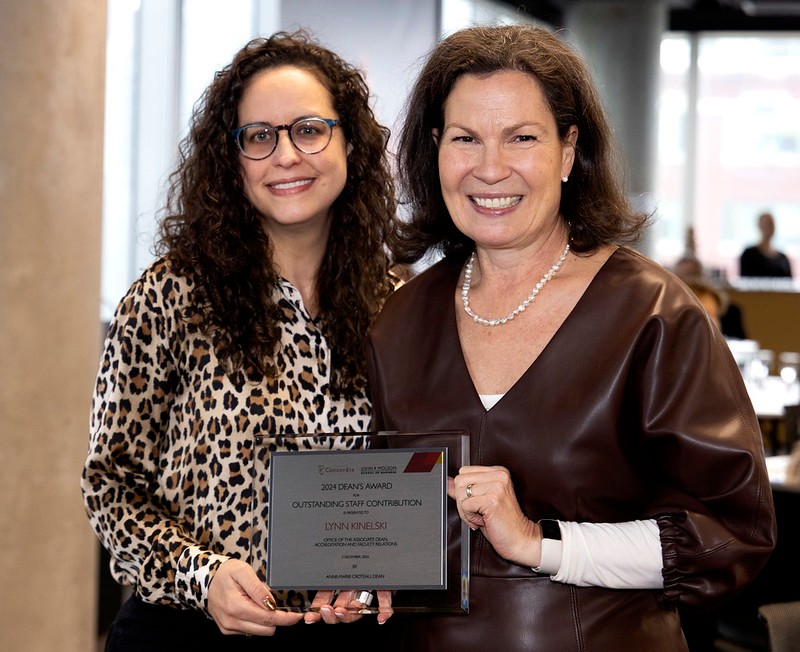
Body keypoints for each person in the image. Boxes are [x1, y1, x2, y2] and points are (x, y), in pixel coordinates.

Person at [366, 25, 776, 650]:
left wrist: (539, 542)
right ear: (435, 150)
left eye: (521, 138)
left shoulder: (653, 313)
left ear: (567, 151)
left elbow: (729, 535)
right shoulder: (400, 320)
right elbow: (388, 518)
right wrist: (360, 575)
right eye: (466, 139)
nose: (490, 168)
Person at [81, 30, 397, 650]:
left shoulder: (397, 304)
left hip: (346, 635)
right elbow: (110, 483)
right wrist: (204, 577)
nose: (286, 156)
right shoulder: (169, 296)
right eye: (260, 136)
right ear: (233, 158)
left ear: (350, 142)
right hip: (185, 632)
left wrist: (376, 571)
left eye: (310, 129)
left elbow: (407, 471)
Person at [740, 211, 793, 278]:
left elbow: (789, 283)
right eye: (766, 224)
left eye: (771, 224)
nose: (769, 228)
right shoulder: (749, 254)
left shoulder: (783, 258)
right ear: (759, 226)